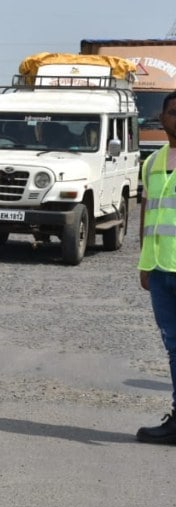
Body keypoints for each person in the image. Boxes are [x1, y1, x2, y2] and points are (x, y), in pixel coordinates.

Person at [136, 89, 176, 444]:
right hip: (161, 271)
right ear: (162, 118)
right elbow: (148, 215)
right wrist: (144, 264)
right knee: (174, 346)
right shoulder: (151, 163)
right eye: (174, 112)